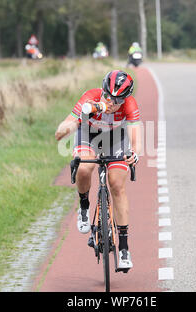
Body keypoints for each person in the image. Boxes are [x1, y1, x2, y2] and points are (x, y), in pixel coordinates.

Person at [55, 70, 142, 270]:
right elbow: (66, 125)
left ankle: (124, 248)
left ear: (126, 99)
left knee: (117, 185)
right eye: (108, 98)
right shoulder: (90, 97)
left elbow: (135, 136)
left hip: (116, 139)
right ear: (102, 91)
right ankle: (84, 206)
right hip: (89, 135)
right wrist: (67, 127)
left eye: (117, 101)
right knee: (84, 168)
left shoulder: (130, 105)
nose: (111, 104)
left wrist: (134, 153)